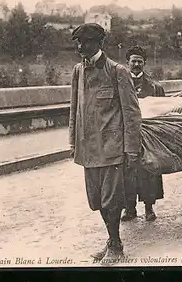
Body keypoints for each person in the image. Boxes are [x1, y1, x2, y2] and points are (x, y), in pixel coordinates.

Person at [69, 23, 142, 261]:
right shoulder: (78, 71)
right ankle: (112, 240)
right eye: (78, 42)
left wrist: (131, 149)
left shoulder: (117, 71)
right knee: (97, 200)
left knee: (111, 201)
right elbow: (74, 109)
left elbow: (132, 114)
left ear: (99, 43)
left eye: (86, 42)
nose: (80, 46)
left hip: (112, 150)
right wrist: (73, 142)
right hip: (88, 149)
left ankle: (116, 246)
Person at [121, 46, 165, 222]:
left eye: (140, 61)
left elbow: (163, 111)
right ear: (128, 63)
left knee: (149, 171)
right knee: (127, 172)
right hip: (126, 135)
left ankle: (149, 208)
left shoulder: (154, 87)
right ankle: (129, 208)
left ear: (144, 63)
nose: (137, 64)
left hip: (148, 136)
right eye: (134, 61)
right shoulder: (121, 83)